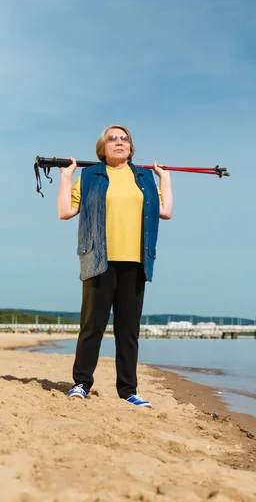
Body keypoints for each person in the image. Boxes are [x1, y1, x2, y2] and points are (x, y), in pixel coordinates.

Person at [57, 125, 173, 407]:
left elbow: (165, 212)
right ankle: (81, 383)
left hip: (136, 260)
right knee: (92, 326)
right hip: (99, 259)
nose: (119, 142)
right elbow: (65, 212)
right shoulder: (90, 177)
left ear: (131, 148)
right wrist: (66, 176)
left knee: (128, 330)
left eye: (125, 139)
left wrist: (165, 179)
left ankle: (128, 390)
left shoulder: (144, 178)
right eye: (112, 139)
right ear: (102, 149)